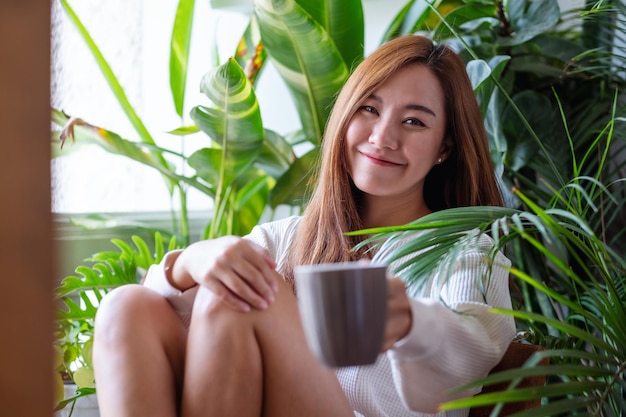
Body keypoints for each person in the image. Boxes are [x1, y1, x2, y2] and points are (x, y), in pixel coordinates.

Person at [93, 35, 516, 417]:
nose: (382, 137)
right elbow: (162, 317)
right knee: (125, 307)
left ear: (445, 148)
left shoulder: (467, 252)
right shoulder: (290, 237)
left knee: (245, 297)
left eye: (414, 121)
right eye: (369, 108)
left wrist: (411, 323)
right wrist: (190, 261)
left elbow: (472, 350)